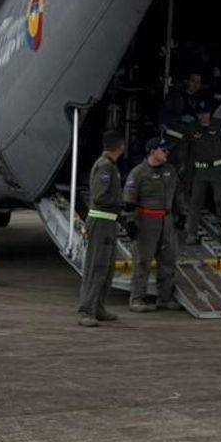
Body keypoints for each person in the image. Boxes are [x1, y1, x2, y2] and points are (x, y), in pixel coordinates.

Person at [75, 131, 129, 328]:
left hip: (109, 222)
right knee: (96, 267)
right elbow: (99, 196)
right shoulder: (105, 166)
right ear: (120, 146)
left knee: (106, 269)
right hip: (100, 222)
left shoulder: (110, 166)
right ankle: (86, 310)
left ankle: (98, 307)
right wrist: (121, 202)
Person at [125, 139, 182, 312]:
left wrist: (182, 214)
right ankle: (136, 299)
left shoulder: (170, 171)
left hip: (167, 220)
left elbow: (178, 194)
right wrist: (130, 222)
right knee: (142, 261)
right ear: (152, 151)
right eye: (163, 150)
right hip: (146, 221)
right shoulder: (138, 173)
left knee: (168, 260)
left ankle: (164, 298)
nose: (166, 153)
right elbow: (129, 200)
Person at [179, 106, 221, 240]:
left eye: (205, 113)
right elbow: (184, 148)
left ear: (210, 113)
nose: (203, 116)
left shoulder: (219, 125)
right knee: (195, 202)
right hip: (199, 171)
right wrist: (184, 167)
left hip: (217, 170)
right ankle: (191, 232)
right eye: (200, 114)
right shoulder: (191, 128)